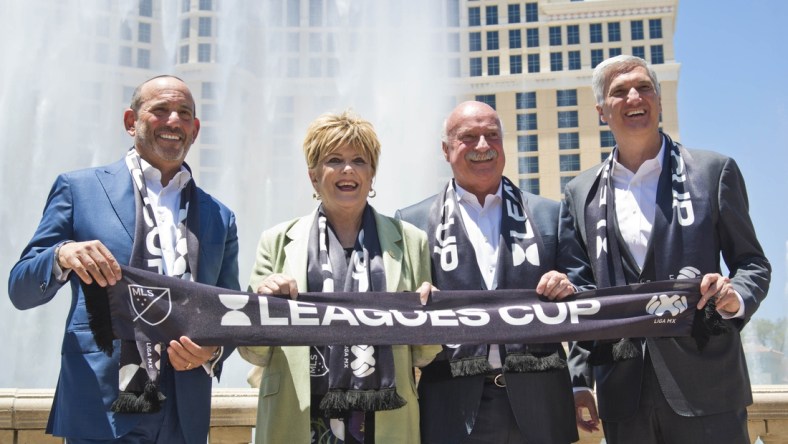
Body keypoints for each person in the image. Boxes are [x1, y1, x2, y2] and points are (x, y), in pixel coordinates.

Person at [8, 75, 240, 443]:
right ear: (131, 121)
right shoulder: (78, 189)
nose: (173, 121)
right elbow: (20, 288)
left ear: (194, 130)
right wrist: (61, 255)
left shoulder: (219, 216)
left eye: (184, 113)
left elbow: (230, 309)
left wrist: (213, 350)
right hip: (102, 403)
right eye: (160, 110)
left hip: (183, 414)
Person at [565, 55, 771, 443]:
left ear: (658, 100)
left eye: (644, 87)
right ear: (601, 111)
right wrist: (579, 380)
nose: (633, 97)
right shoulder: (580, 194)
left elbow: (753, 264)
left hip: (709, 388)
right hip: (623, 396)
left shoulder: (713, 171)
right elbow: (582, 297)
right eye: (619, 91)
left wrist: (735, 296)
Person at [396, 101, 594, 444]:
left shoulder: (549, 215)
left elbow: (586, 293)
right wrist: (414, 299)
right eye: (468, 137)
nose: (483, 146)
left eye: (491, 135)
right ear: (446, 150)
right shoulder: (411, 223)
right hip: (451, 406)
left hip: (541, 402)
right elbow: (397, 313)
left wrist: (568, 287)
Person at [238, 110, 440, 444]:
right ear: (313, 176)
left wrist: (431, 316)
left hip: (383, 420)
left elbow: (423, 353)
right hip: (300, 418)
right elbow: (253, 352)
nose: (348, 169)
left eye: (359, 160)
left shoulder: (410, 241)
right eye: (334, 160)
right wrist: (263, 307)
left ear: (371, 174)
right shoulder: (276, 240)